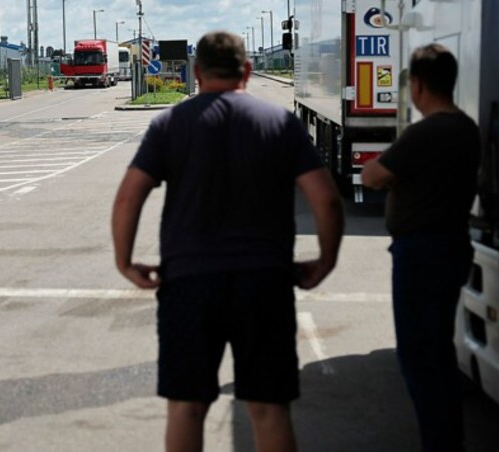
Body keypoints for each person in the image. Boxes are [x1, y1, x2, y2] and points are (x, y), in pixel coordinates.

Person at [112, 31, 344, 452]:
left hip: (188, 283)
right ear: (248, 71)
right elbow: (326, 199)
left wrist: (125, 262)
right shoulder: (280, 124)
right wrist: (325, 260)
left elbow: (130, 195)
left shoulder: (169, 124)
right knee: (268, 408)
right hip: (265, 283)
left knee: (186, 407)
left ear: (197, 72)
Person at [361, 44, 480, 452]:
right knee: (439, 350)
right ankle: (449, 439)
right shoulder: (466, 128)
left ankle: (440, 443)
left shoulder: (425, 132)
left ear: (419, 84)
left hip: (421, 253)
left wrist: (395, 178)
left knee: (417, 358)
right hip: (452, 245)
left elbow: (372, 175)